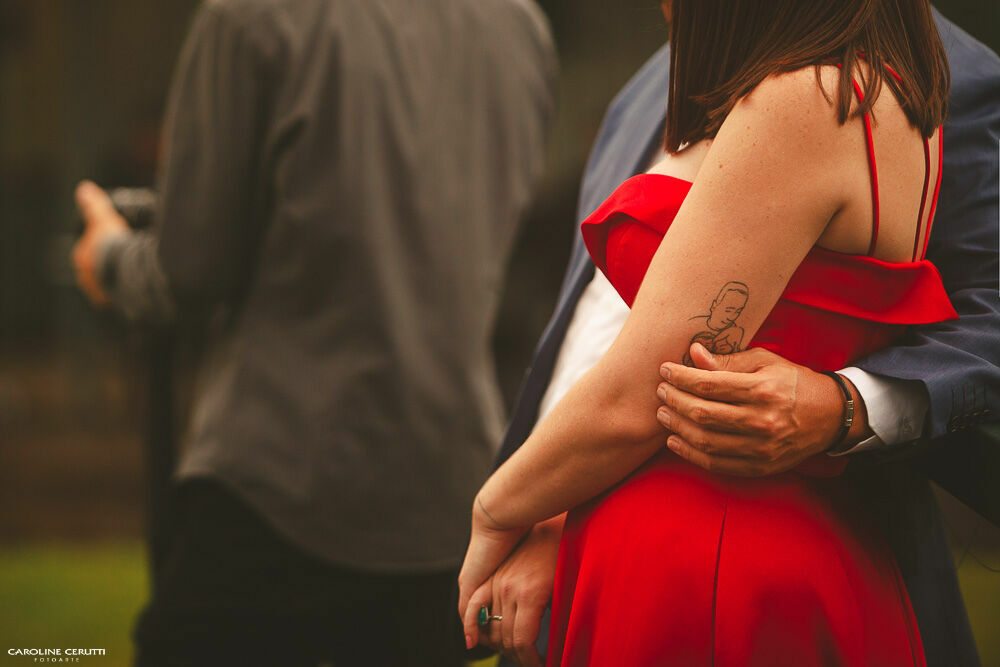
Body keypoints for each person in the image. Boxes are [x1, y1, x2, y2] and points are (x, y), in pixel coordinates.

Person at [459, 1, 999, 666]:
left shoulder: (808, 95)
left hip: (708, 560)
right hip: (595, 512)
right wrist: (549, 507)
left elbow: (637, 392)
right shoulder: (873, 86)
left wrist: (493, 511)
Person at [71, 0, 555, 664]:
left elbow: (193, 270)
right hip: (446, 496)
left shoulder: (253, 16)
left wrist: (110, 256)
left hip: (276, 487)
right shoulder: (519, 24)